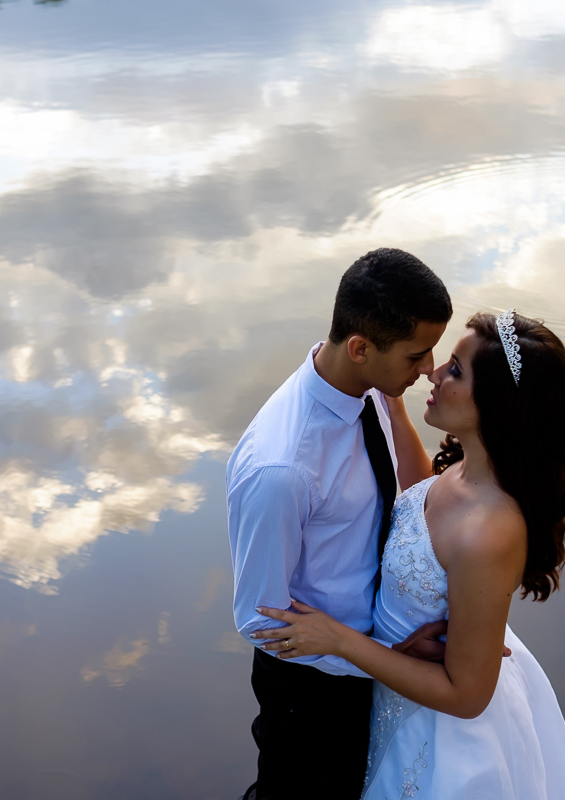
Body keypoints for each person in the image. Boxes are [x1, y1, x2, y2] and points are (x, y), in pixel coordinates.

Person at [253, 310, 565, 799]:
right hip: (400, 684)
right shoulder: (470, 471)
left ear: (497, 404)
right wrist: (394, 409)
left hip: (439, 738)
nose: (433, 373)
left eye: (455, 369)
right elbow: (426, 505)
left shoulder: (490, 534)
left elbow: (467, 695)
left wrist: (339, 639)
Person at [227, 248, 455, 800]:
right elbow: (261, 621)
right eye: (417, 355)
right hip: (313, 692)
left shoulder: (368, 385)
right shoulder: (282, 469)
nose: (430, 369)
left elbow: (410, 494)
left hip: (372, 659)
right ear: (360, 348)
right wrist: (377, 659)